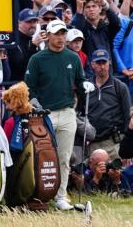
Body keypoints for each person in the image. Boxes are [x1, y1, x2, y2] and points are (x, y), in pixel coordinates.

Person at [24, 19, 94, 211]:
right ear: (49, 35)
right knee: (41, 157)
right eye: (57, 34)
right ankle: (38, 196)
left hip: (67, 113)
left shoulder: (73, 58)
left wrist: (85, 85)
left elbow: (80, 81)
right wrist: (37, 108)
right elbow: (29, 88)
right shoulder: (37, 59)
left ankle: (60, 196)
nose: (61, 37)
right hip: (43, 115)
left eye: (63, 33)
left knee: (64, 157)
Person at [86, 49, 131, 160]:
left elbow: (128, 115)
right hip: (91, 143)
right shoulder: (86, 86)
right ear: (92, 64)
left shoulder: (119, 87)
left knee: (116, 174)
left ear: (109, 62)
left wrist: (126, 142)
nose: (102, 66)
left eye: (104, 62)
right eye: (98, 63)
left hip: (113, 142)